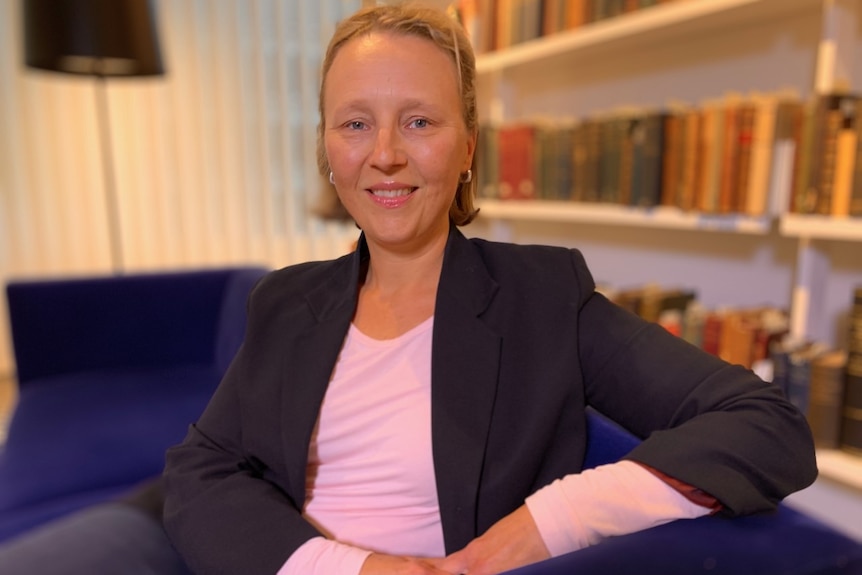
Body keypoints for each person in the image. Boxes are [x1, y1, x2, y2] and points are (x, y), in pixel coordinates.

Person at [162, 3, 817, 575]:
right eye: (355, 123)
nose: (384, 153)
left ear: (468, 146)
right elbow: (200, 471)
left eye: (419, 121)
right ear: (326, 149)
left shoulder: (543, 298)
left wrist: (550, 522)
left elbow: (767, 425)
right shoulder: (284, 301)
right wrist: (347, 566)